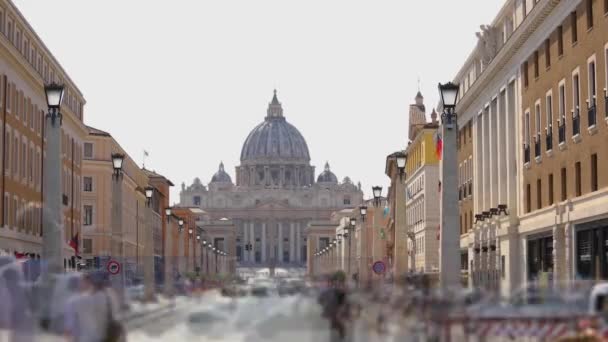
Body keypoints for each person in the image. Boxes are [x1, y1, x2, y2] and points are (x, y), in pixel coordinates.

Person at [64, 271, 123, 342]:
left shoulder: (74, 302)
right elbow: (116, 315)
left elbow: (69, 329)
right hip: (108, 338)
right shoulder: (111, 297)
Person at [318, 271, 352, 342]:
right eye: (336, 281)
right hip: (334, 312)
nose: (338, 283)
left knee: (337, 325)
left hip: (338, 312)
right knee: (335, 326)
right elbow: (320, 300)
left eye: (339, 281)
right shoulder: (330, 291)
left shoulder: (340, 291)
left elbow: (345, 301)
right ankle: (339, 336)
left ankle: (340, 336)